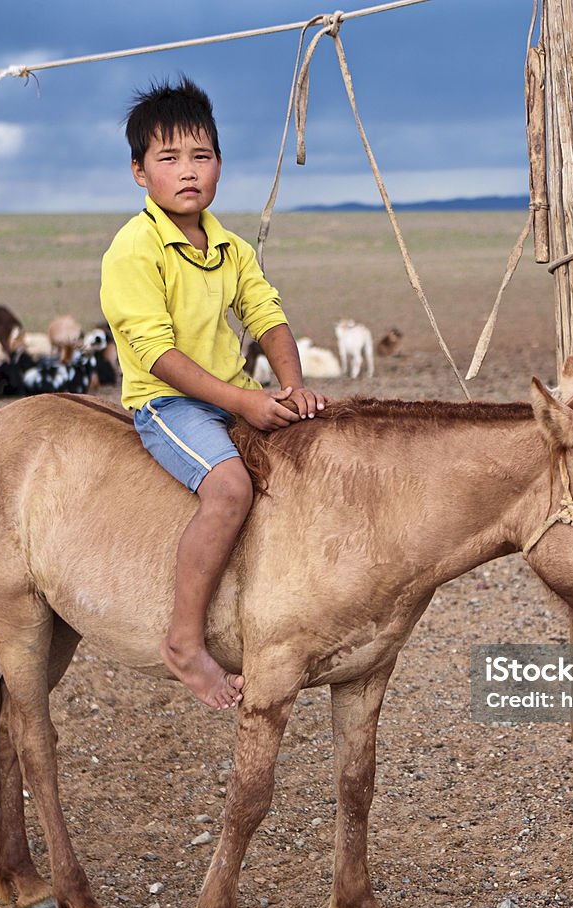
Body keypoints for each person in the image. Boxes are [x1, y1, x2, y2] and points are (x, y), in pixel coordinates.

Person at [100, 76, 327, 710]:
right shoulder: (133, 250)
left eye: (201, 156)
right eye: (168, 159)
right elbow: (157, 355)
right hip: (167, 403)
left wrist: (290, 386)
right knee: (229, 488)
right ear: (140, 174)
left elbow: (266, 314)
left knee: (319, 451)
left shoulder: (229, 246)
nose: (188, 172)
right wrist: (246, 404)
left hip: (235, 392)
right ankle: (184, 642)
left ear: (220, 165)